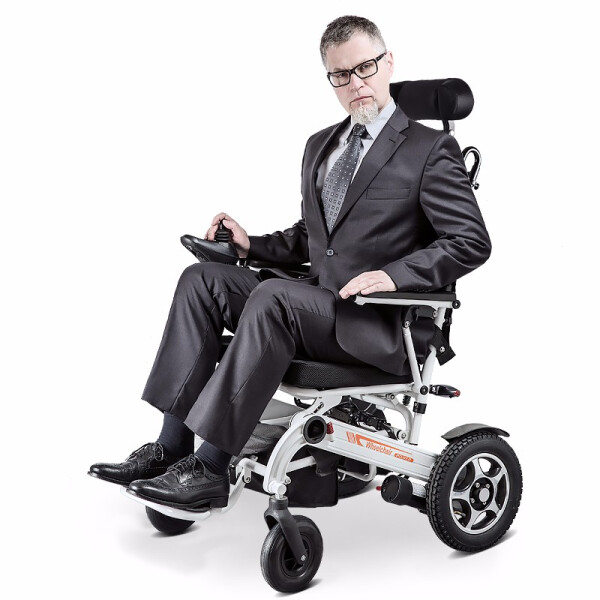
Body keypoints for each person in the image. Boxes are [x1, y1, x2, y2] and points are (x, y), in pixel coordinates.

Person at [89, 15, 491, 510]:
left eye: (365, 67)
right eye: (340, 74)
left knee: (273, 296)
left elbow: (470, 240)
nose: (355, 83)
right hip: (314, 307)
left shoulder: (430, 150)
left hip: (375, 322)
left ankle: (210, 468)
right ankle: (172, 448)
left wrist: (392, 275)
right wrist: (250, 246)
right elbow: (312, 238)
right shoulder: (321, 145)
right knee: (202, 280)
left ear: (389, 62)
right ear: (330, 79)